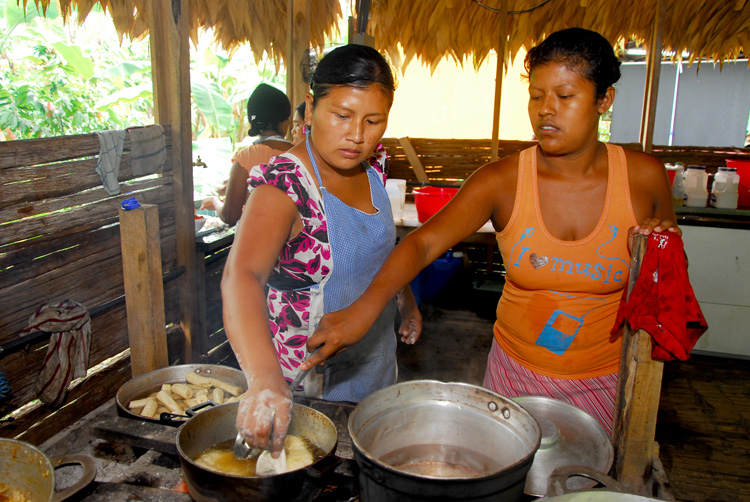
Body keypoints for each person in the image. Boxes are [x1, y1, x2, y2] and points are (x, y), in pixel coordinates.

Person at [303, 28, 680, 435]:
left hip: (605, 380)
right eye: (536, 96)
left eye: (565, 96)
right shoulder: (501, 181)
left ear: (604, 99)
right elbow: (423, 242)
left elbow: (669, 280)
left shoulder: (644, 179)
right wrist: (365, 310)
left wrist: (662, 241)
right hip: (514, 378)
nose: (546, 110)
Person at [222, 44, 422, 456]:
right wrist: (263, 380)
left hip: (376, 363)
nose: (357, 135)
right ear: (310, 109)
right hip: (311, 390)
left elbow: (381, 250)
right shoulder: (284, 188)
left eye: (373, 121)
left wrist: (406, 300)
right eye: (342, 115)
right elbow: (241, 277)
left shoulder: (373, 169)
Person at [201, 83, 294, 225]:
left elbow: (230, 216)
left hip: (256, 243)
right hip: (300, 244)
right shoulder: (301, 153)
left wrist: (215, 201)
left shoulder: (246, 158)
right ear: (284, 122)